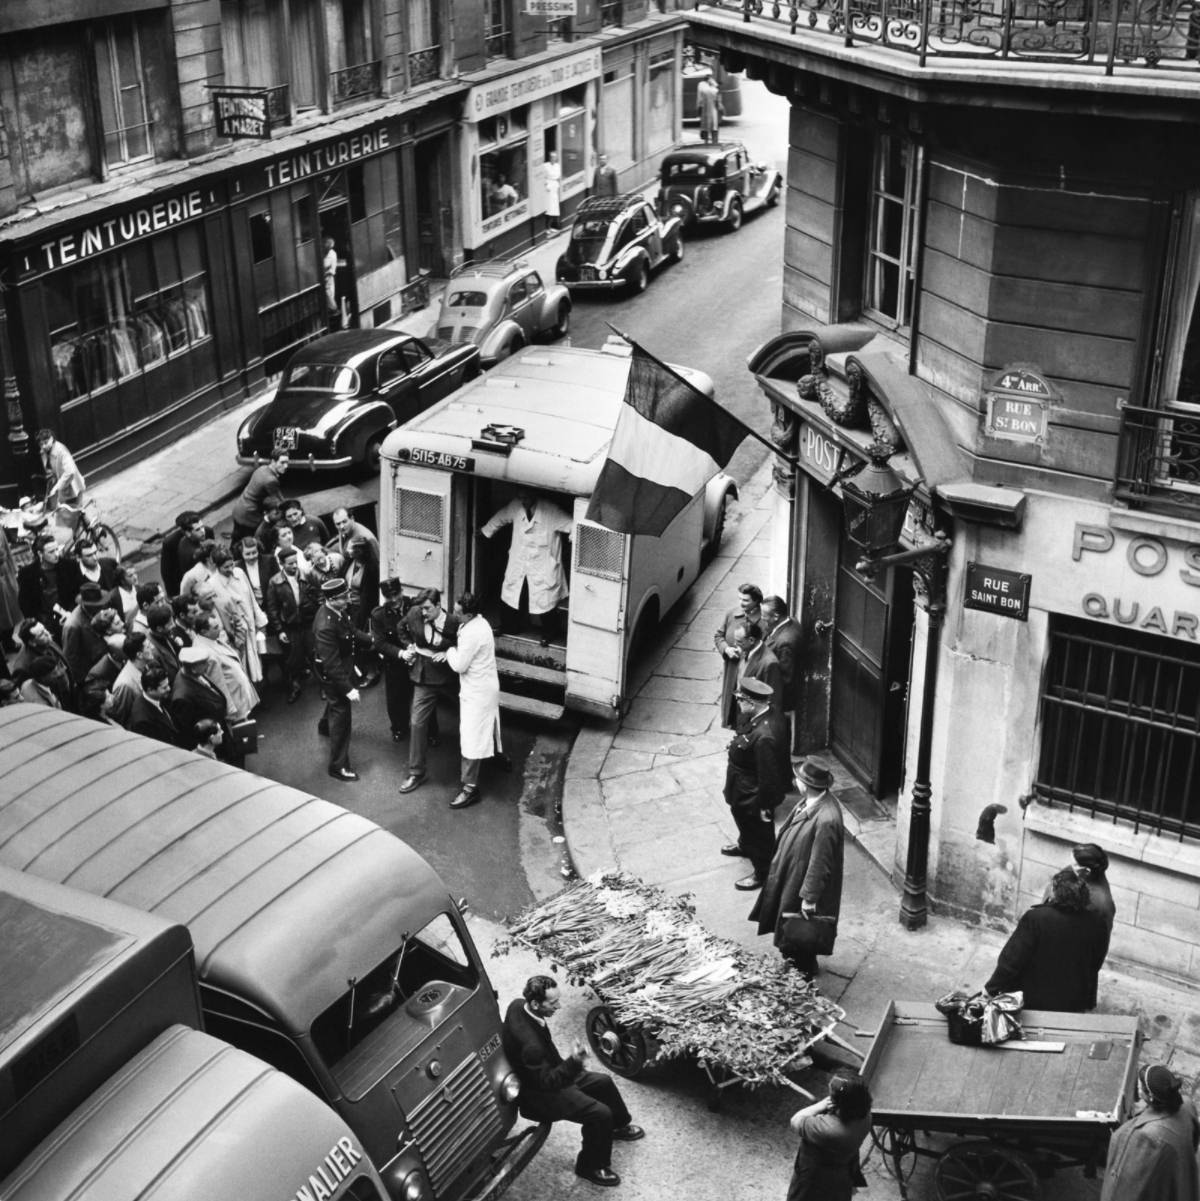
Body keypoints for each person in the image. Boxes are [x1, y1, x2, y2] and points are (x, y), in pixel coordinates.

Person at [501, 975, 644, 1188]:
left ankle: (617, 1125)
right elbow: (547, 1083)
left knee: (603, 1082)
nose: (558, 1006)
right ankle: (590, 1166)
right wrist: (575, 1062)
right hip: (541, 1095)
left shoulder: (518, 1005)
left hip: (551, 1071)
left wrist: (569, 1065)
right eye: (553, 1003)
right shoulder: (531, 1047)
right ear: (535, 1004)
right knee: (600, 1114)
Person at [751, 759, 845, 980]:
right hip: (792, 873)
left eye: (798, 778)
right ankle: (802, 965)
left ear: (805, 784)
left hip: (800, 882)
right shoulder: (810, 802)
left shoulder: (826, 819)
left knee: (797, 933)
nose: (795, 781)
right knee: (791, 927)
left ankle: (802, 977)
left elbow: (821, 863)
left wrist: (809, 898)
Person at [985, 867, 1109, 1012]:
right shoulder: (1097, 923)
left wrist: (991, 989)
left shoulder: (1036, 918)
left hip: (1031, 1001)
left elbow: (1011, 961)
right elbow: (1095, 962)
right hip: (1073, 1003)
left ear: (1055, 893)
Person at [722, 677, 789, 891]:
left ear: (752, 703)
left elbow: (769, 776)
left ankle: (762, 871)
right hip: (740, 782)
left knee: (758, 830)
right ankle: (745, 845)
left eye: (741, 700)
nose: (739, 703)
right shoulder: (764, 715)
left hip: (750, 790)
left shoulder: (765, 736)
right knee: (740, 817)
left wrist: (764, 806)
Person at [480, 490, 573, 642]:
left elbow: (572, 524)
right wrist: (486, 531)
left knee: (545, 601)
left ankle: (550, 633)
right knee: (512, 594)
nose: (523, 501)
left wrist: (573, 540)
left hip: (542, 566)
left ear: (535, 494)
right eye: (521, 497)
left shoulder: (551, 511)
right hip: (520, 563)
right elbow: (501, 517)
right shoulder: (516, 506)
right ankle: (509, 626)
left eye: (526, 498)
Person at [1100, 1062, 1199, 1201]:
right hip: (1182, 1171)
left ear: (1151, 1096)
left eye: (1140, 1087)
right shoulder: (1187, 1104)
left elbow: (1128, 1181)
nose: (1138, 1090)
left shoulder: (1145, 1136)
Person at [443, 592, 502, 810]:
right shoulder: (482, 622)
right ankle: (498, 758)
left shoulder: (470, 634)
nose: (454, 615)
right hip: (487, 686)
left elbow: (459, 665)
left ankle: (470, 788)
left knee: (470, 738)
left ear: (468, 614)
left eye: (458, 613)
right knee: (488, 726)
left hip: (476, 692)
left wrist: (449, 651)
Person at [397, 588, 459, 795]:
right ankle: (416, 772)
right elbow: (401, 627)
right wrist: (409, 646)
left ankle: (493, 753)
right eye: (421, 608)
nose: (423, 613)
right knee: (417, 722)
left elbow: (464, 644)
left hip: (451, 677)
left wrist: (448, 652)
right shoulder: (414, 613)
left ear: (439, 606)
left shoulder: (453, 622)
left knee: (475, 715)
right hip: (424, 676)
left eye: (427, 609)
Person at [785, 1069, 873, 1201]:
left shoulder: (829, 1130)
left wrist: (822, 1104)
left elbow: (795, 1121)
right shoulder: (866, 1116)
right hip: (842, 1171)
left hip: (815, 1176)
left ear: (839, 1103)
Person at [312, 577, 362, 782]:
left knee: (334, 705)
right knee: (341, 714)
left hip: (340, 666)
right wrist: (348, 689)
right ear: (332, 600)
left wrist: (373, 640)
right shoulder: (326, 625)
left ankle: (324, 725)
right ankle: (338, 765)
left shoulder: (336, 612)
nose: (348, 600)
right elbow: (331, 665)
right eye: (343, 598)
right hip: (334, 675)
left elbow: (350, 633)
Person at [169, 645, 244, 766]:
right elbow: (189, 734)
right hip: (214, 747)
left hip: (220, 733)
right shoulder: (182, 698)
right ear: (193, 669)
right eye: (204, 663)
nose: (208, 665)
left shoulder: (192, 674)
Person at [266, 545, 319, 703]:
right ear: (282, 564)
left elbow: (319, 595)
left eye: (295, 562)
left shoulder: (307, 575)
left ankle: (324, 685)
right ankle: (295, 687)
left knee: (315, 654)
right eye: (290, 563)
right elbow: (272, 608)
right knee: (293, 660)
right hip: (291, 626)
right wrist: (279, 630)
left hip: (309, 623)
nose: (294, 566)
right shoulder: (275, 582)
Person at [370, 577, 416, 742]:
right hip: (395, 662)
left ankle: (430, 731)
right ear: (384, 597)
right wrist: (401, 654)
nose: (394, 600)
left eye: (396, 594)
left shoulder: (414, 606)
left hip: (417, 659)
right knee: (396, 698)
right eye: (389, 597)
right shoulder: (379, 615)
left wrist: (415, 648)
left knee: (424, 696)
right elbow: (380, 643)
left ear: (402, 591)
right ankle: (399, 727)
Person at [715, 582, 763, 729]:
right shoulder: (731, 614)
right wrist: (726, 649)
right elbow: (718, 636)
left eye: (746, 600)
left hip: (750, 672)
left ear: (756, 601)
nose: (741, 603)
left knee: (748, 706)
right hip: (732, 669)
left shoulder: (763, 622)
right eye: (740, 599)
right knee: (732, 705)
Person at [762, 594, 803, 728]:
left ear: (776, 616)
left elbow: (785, 678)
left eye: (764, 616)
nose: (762, 619)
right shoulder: (791, 621)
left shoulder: (785, 642)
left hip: (778, 701)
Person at [18, 535, 71, 639]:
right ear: (40, 554)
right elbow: (25, 604)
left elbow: (75, 593)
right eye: (51, 552)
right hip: (44, 620)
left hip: (67, 615)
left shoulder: (68, 566)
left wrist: (69, 612)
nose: (57, 554)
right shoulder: (27, 574)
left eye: (57, 549)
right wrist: (37, 623)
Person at [231, 450, 289, 543]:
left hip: (238, 510)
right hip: (249, 517)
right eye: (282, 462)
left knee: (236, 540)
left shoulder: (262, 469)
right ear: (273, 462)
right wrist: (288, 509)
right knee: (257, 540)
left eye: (287, 463)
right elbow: (278, 501)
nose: (286, 466)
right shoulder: (271, 480)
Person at [731, 622, 781, 726]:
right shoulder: (747, 649)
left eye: (739, 641)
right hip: (743, 712)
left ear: (751, 640)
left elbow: (772, 701)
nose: (735, 645)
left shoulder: (769, 663)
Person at [160, 511, 214, 598]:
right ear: (186, 532)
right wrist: (173, 595)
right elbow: (167, 573)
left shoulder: (207, 531)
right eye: (197, 529)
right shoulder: (171, 543)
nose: (202, 531)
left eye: (202, 527)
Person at [127, 665, 180, 745]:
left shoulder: (158, 697)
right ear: (150, 690)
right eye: (164, 687)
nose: (169, 689)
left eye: (168, 685)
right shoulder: (143, 721)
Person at [37, 428, 85, 509]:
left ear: (52, 439)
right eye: (41, 444)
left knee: (75, 513)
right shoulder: (44, 453)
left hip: (73, 486)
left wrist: (56, 487)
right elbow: (50, 469)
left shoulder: (61, 450)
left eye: (45, 443)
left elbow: (70, 472)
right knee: (68, 515)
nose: (44, 446)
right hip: (63, 490)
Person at [696, 74, 723, 143]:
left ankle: (706, 142)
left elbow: (699, 100)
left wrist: (698, 108)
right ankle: (714, 143)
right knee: (714, 127)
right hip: (713, 110)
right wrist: (715, 85)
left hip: (705, 110)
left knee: (706, 127)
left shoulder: (701, 86)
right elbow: (718, 98)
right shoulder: (713, 90)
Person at [322, 236, 341, 328]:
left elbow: (333, 269)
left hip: (328, 277)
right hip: (321, 276)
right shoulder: (320, 253)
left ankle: (334, 310)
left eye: (329, 248)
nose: (327, 249)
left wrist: (327, 274)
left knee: (329, 294)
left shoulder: (332, 254)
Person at [544, 151, 562, 235]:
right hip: (548, 187)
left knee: (554, 208)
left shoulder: (557, 166)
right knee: (549, 208)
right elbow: (544, 177)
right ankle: (547, 227)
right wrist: (546, 185)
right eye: (552, 157)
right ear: (549, 157)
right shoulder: (545, 166)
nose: (553, 159)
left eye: (555, 157)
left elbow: (558, 176)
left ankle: (553, 227)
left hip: (555, 187)